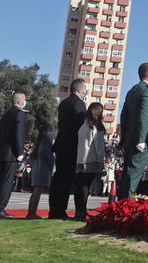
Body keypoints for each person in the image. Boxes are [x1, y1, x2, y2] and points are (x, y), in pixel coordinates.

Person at [49, 79, 89, 219]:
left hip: (61, 143)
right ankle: (59, 210)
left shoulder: (64, 103)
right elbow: (80, 126)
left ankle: (54, 209)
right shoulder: (78, 104)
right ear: (79, 90)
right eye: (85, 89)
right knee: (66, 180)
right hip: (72, 145)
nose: (85, 91)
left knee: (59, 177)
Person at [119, 62, 148, 197]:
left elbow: (124, 116)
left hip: (130, 138)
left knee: (127, 173)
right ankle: (126, 206)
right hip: (141, 139)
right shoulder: (147, 91)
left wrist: (123, 137)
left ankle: (120, 204)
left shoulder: (132, 90)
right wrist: (141, 139)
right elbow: (144, 116)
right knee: (134, 173)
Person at [0, 91, 28, 218]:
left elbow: (1, 134)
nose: (25, 102)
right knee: (6, 182)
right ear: (18, 101)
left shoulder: (6, 114)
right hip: (12, 154)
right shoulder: (19, 114)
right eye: (24, 100)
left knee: (0, 181)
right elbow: (19, 134)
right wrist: (20, 152)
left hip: (4, 152)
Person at [74, 101, 107, 221]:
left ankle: (79, 211)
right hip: (92, 159)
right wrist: (101, 161)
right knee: (85, 187)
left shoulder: (84, 125)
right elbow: (99, 146)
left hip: (80, 159)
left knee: (81, 187)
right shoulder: (96, 127)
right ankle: (81, 211)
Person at [26, 124, 55, 219]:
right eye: (50, 130)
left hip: (37, 169)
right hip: (43, 170)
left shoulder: (40, 142)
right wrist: (52, 166)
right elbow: (49, 156)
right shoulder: (46, 142)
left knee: (35, 192)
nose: (52, 133)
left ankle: (30, 212)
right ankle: (32, 213)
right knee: (37, 192)